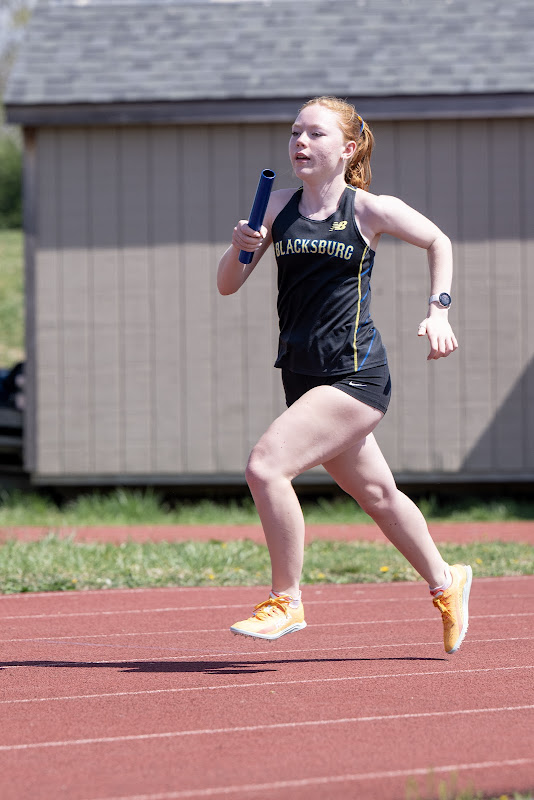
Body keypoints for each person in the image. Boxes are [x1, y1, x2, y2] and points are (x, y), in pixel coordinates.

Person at [217, 96, 471, 655]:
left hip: (356, 374)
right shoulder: (277, 207)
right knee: (379, 495)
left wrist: (439, 310)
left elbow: (438, 241)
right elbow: (228, 285)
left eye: (316, 135)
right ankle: (446, 580)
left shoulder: (367, 209)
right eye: (294, 133)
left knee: (265, 467)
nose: (300, 143)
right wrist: (240, 249)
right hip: (303, 376)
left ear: (347, 149)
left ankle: (286, 600)